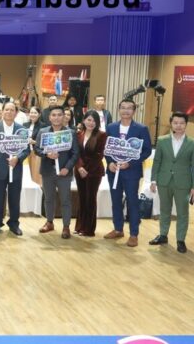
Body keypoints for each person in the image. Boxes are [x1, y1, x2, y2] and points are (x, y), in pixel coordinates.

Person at [104, 98, 153, 247]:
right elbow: (106, 148)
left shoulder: (141, 129)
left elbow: (147, 151)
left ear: (134, 111)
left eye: (129, 108)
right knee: (115, 201)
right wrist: (110, 162)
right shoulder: (111, 127)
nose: (126, 110)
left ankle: (133, 234)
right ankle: (118, 229)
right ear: (119, 110)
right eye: (123, 107)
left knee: (132, 202)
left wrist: (130, 163)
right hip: (114, 171)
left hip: (131, 172)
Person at [149, 112, 194, 253]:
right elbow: (157, 161)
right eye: (175, 123)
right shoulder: (162, 140)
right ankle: (163, 235)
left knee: (182, 212)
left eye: (182, 123)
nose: (178, 126)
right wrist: (153, 180)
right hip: (164, 181)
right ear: (171, 124)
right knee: (164, 209)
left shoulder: (192, 143)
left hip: (183, 182)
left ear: (186, 124)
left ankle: (180, 240)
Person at [0, 101, 30, 236]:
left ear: (16, 113)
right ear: (2, 111)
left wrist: (17, 158)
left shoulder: (21, 129)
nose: (9, 112)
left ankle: (14, 223)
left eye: (12, 110)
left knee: (15, 198)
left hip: (15, 168)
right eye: (7, 110)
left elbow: (26, 149)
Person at [35, 105, 80, 239]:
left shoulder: (70, 133)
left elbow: (75, 153)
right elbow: (37, 149)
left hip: (64, 172)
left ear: (64, 117)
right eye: (53, 115)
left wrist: (68, 167)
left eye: (59, 115)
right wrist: (46, 154)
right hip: (47, 171)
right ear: (49, 117)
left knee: (65, 200)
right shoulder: (43, 132)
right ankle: (49, 222)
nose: (56, 118)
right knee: (48, 198)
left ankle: (66, 226)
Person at [74, 110, 107, 237]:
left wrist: (86, 169)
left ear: (97, 122)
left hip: (94, 171)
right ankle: (79, 226)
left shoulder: (102, 135)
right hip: (79, 170)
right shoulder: (78, 134)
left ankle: (88, 229)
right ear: (84, 120)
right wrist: (79, 167)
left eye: (94, 120)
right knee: (81, 198)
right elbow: (75, 153)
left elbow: (99, 155)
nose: (91, 123)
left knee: (90, 199)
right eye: (89, 120)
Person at [23, 106, 43, 185]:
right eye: (31, 112)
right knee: (28, 175)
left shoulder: (43, 126)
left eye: (35, 113)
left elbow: (44, 142)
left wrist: (35, 142)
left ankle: (40, 191)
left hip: (37, 153)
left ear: (39, 114)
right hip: (26, 153)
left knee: (37, 176)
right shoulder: (24, 125)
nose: (33, 114)